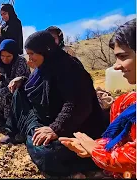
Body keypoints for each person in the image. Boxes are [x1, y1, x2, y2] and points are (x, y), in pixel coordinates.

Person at [1, 31, 109, 176]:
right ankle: (22, 133)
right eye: (28, 54)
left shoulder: (69, 68)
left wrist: (55, 129)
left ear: (46, 51)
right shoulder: (44, 66)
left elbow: (78, 105)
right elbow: (39, 87)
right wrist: (21, 80)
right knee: (18, 92)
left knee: (46, 154)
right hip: (48, 117)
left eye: (32, 53)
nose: (30, 58)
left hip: (76, 127)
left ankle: (89, 162)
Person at [59, 18, 136, 179]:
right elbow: (116, 141)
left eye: (123, 56)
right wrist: (92, 147)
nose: (116, 65)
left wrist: (96, 151)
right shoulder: (127, 103)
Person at [0, 39, 30, 125]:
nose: (5, 59)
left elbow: (15, 85)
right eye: (2, 56)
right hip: (2, 91)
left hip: (20, 92)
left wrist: (0, 77)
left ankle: (10, 123)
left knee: (2, 93)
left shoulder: (21, 62)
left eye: (8, 56)